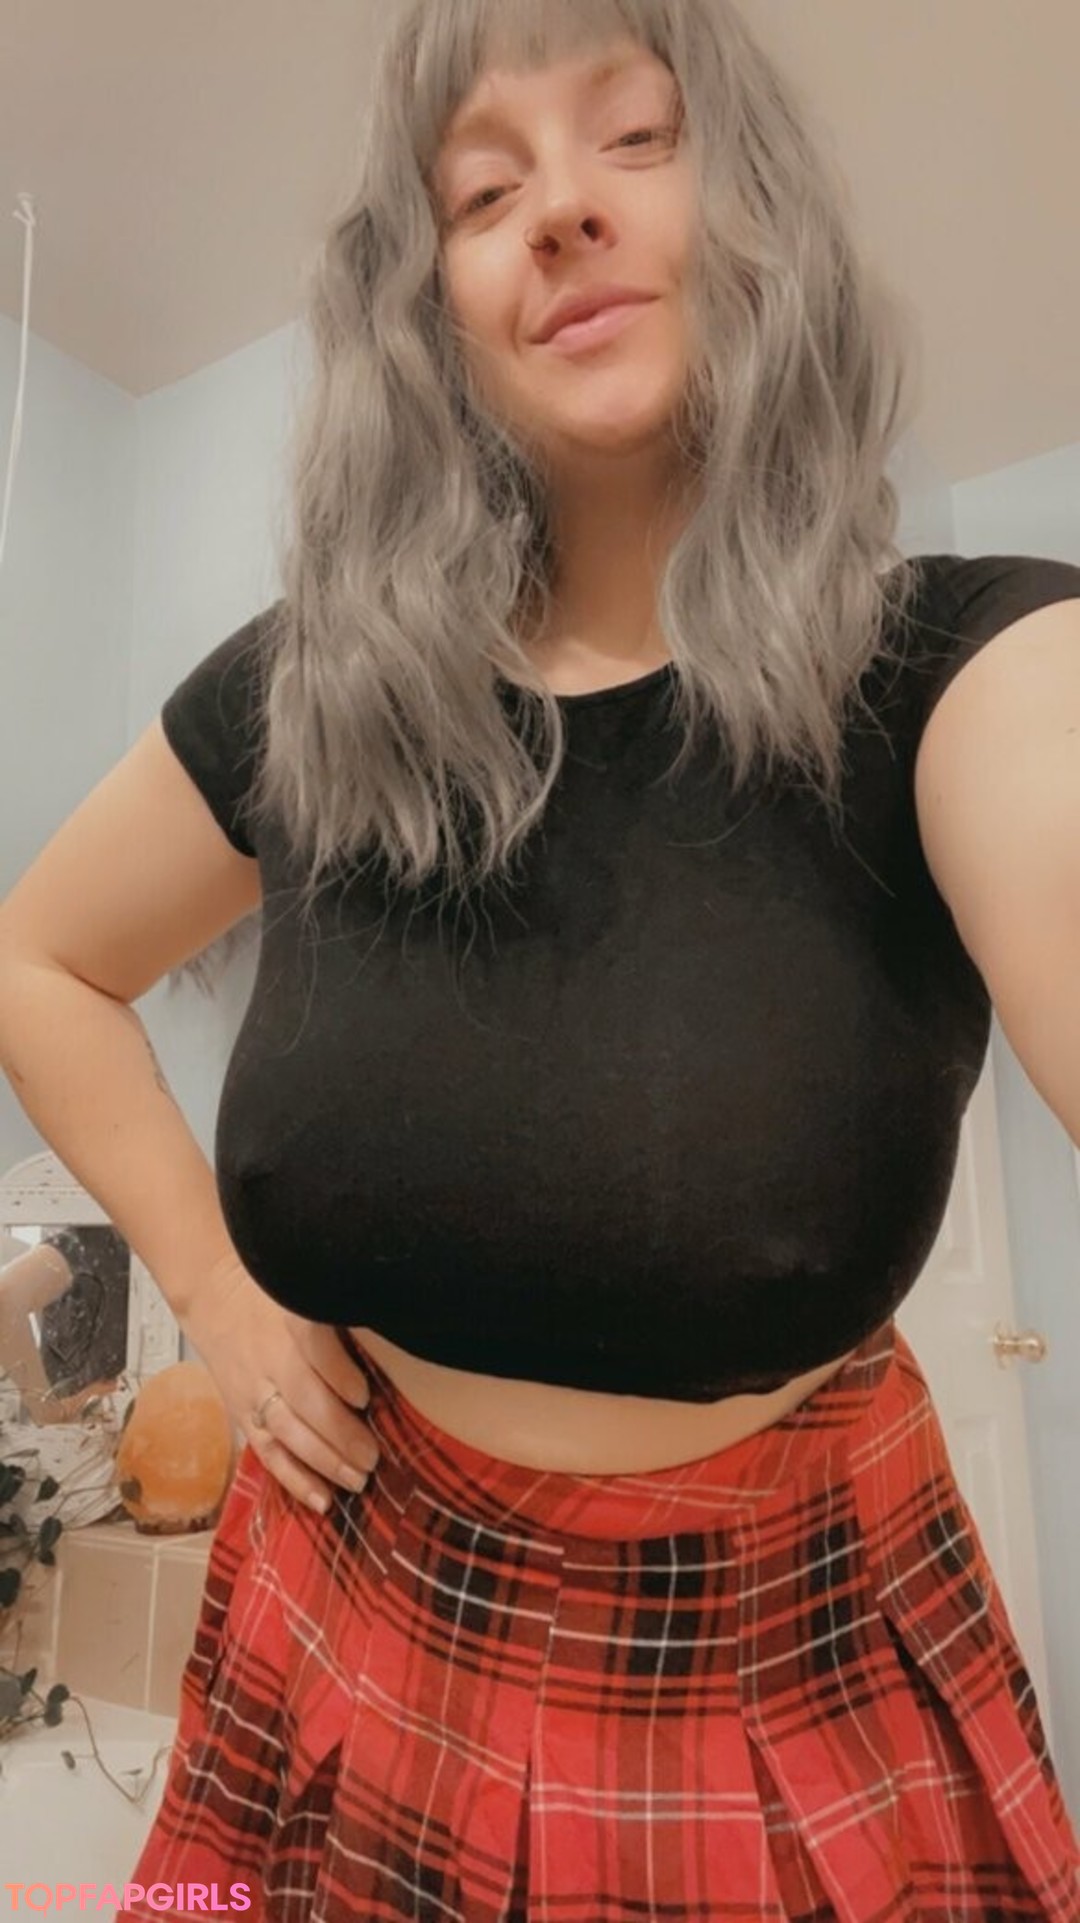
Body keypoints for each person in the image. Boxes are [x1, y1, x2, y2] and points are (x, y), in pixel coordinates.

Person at [0, 0, 1078, 1914]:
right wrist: (216, 1294)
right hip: (330, 1607)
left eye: (637, 139)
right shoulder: (304, 692)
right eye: (482, 193)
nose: (563, 209)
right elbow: (38, 960)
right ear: (426, 315)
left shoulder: (966, 665)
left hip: (785, 1657)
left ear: (756, 213)